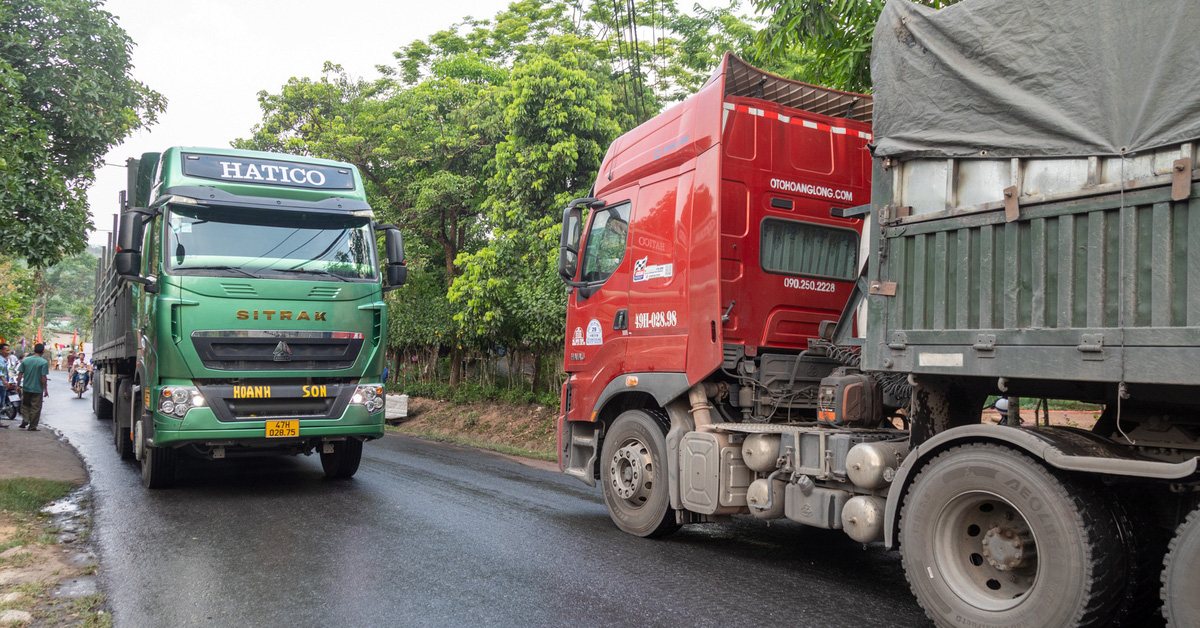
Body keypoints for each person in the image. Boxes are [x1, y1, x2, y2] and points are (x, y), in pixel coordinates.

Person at [16, 342, 50, 431]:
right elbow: (43, 377)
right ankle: (32, 426)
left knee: (25, 405)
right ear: (43, 351)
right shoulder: (44, 362)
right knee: (36, 408)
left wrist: (18, 385)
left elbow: (20, 374)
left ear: (34, 350)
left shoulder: (25, 360)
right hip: (37, 389)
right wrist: (45, 389)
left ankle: (26, 420)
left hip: (26, 387)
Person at [0, 343, 18, 426]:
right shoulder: (0, 360)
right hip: (1, 384)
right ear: (1, 351)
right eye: (6, 350)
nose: (8, 352)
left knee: (1, 403)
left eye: (8, 350)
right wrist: (4, 380)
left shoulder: (6, 360)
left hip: (4, 383)